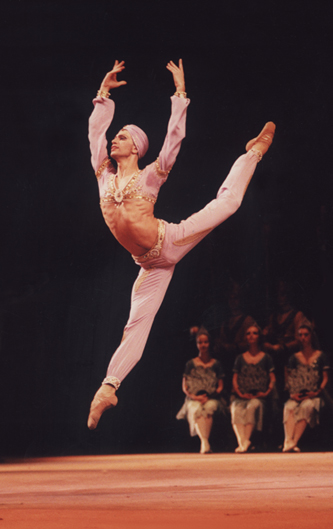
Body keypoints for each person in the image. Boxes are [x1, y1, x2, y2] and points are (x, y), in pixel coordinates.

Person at [87, 58, 276, 430]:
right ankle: (107, 388)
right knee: (136, 325)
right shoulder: (102, 176)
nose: (115, 140)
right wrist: (103, 94)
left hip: (168, 242)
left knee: (227, 204)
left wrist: (180, 94)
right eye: (117, 136)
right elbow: (94, 135)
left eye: (122, 136)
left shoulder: (149, 178)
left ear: (137, 148)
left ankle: (253, 152)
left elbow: (173, 141)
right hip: (147, 264)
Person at [176, 328, 225, 453]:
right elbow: (185, 386)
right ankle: (204, 442)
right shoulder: (191, 364)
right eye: (200, 342)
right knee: (195, 409)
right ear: (197, 344)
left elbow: (220, 386)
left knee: (209, 408)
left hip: (211, 397)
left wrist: (210, 396)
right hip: (194, 397)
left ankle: (205, 441)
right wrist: (196, 397)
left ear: (209, 343)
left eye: (206, 342)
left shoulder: (216, 363)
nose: (203, 345)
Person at [283, 324, 330, 452]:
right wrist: (292, 393)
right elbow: (290, 378)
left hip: (314, 393)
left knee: (307, 406)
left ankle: (294, 441)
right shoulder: (294, 357)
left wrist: (317, 391)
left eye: (306, 335)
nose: (303, 338)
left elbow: (325, 377)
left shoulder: (320, 356)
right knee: (290, 407)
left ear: (311, 336)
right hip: (297, 393)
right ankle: (288, 440)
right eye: (300, 335)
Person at [230, 324, 276, 452]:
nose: (251, 335)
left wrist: (267, 392)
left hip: (259, 395)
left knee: (253, 406)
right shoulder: (240, 358)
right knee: (235, 408)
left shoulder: (266, 357)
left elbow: (272, 377)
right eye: (248, 333)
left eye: (255, 333)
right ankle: (242, 441)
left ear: (259, 336)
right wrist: (239, 392)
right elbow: (235, 378)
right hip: (243, 395)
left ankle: (245, 440)